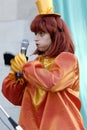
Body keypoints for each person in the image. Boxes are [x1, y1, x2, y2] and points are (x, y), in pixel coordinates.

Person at [2, 0, 85, 130]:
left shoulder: (68, 60)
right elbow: (15, 97)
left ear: (55, 35)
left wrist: (25, 68)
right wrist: (16, 73)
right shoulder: (34, 65)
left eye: (41, 34)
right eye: (35, 34)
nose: (36, 38)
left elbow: (52, 82)